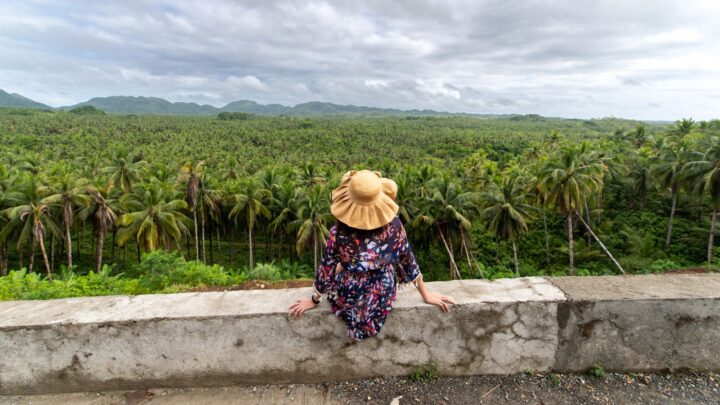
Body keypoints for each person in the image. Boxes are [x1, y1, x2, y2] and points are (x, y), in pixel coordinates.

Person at [288, 169, 456, 342]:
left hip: (350, 295)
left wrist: (314, 300)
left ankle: (352, 264)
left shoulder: (337, 234)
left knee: (344, 267)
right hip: (382, 291)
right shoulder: (394, 226)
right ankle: (357, 264)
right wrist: (426, 294)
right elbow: (408, 260)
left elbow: (326, 271)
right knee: (366, 262)